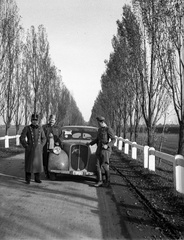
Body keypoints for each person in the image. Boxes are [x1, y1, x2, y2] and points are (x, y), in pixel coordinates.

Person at [87, 116, 116, 187]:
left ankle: (107, 182)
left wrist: (108, 145)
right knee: (97, 165)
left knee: (105, 165)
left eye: (99, 122)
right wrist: (90, 143)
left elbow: (114, 139)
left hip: (105, 151)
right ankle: (100, 181)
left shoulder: (108, 129)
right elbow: (97, 139)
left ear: (102, 122)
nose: (98, 124)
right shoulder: (99, 130)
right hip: (99, 149)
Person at [20, 113, 46, 184]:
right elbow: (22, 138)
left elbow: (44, 138)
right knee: (29, 164)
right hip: (30, 149)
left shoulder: (40, 128)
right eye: (33, 120)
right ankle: (27, 179)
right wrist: (26, 146)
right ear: (31, 120)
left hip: (38, 149)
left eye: (36, 120)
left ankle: (37, 179)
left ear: (38, 121)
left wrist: (41, 146)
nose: (35, 121)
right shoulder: (27, 128)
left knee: (37, 164)